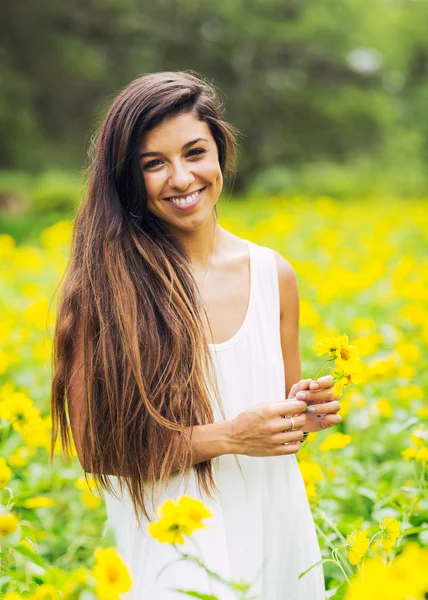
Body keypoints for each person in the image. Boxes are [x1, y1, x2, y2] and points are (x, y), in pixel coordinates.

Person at [51, 70, 342, 599]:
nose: (182, 178)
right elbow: (97, 449)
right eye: (153, 164)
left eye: (194, 152)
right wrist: (230, 436)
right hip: (174, 547)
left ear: (220, 153)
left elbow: (281, 427)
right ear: (126, 179)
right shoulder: (105, 287)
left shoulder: (273, 274)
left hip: (275, 532)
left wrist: (302, 416)